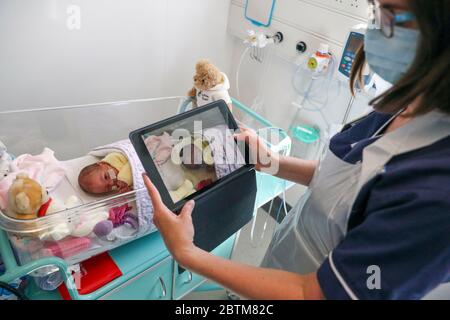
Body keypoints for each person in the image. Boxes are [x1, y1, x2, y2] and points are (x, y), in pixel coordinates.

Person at [143, 0, 450, 300]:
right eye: (374, 9)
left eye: (390, 14)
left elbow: (313, 293)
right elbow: (347, 181)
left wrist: (187, 254)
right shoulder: (408, 103)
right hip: (286, 262)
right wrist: (273, 163)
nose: (371, 27)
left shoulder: (438, 198)